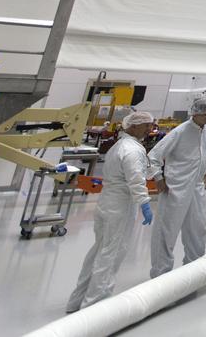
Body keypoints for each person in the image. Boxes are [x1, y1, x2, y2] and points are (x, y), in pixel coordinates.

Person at [66, 110, 154, 313]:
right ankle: (95, 308)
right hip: (120, 205)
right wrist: (144, 203)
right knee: (111, 254)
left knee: (98, 250)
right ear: (133, 126)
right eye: (146, 125)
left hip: (107, 202)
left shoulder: (119, 146)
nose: (150, 129)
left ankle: (76, 301)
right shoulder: (132, 150)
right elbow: (136, 180)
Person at [146, 96, 206, 277]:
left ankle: (193, 272)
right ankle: (160, 275)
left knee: (198, 228)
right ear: (194, 114)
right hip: (176, 188)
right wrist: (158, 177)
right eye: (204, 115)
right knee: (166, 230)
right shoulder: (180, 131)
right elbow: (154, 156)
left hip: (197, 187)